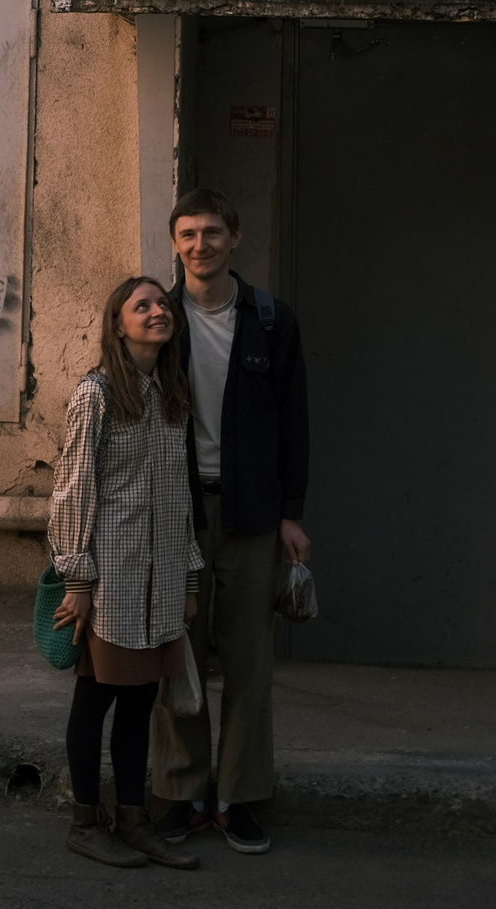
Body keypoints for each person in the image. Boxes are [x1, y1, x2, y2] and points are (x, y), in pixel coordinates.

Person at [151, 188, 309, 856]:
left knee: (246, 659)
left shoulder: (271, 321)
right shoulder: (156, 317)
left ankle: (236, 798)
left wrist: (292, 515)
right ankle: (182, 790)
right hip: (177, 510)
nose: (199, 244)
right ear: (175, 242)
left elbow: (294, 424)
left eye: (212, 232)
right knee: (177, 653)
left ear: (235, 238)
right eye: (187, 233)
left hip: (250, 513)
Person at [46, 276, 205, 871]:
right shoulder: (98, 393)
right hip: (112, 574)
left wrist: (189, 578)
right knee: (96, 697)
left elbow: (180, 495)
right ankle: (86, 822)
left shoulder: (171, 390)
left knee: (141, 704)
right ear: (118, 324)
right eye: (143, 306)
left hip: (162, 578)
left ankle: (133, 820)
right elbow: (73, 487)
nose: (158, 310)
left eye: (163, 303)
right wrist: (78, 579)